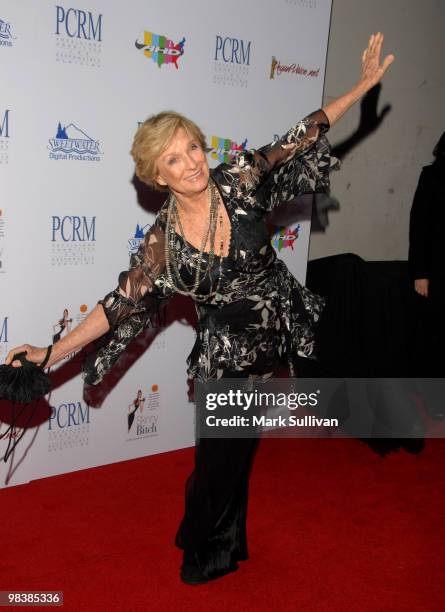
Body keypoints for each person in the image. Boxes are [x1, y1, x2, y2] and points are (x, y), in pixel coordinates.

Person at [6, 33, 394, 584]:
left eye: (192, 146)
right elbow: (121, 302)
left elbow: (301, 134)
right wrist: (51, 351)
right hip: (224, 349)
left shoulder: (240, 179)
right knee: (222, 457)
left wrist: (361, 87)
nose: (192, 162)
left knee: (232, 452)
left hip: (273, 329)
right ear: (156, 176)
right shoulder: (162, 243)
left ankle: (216, 544)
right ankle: (205, 544)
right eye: (174, 158)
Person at [409, 131, 445, 378]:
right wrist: (420, 273)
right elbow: (419, 225)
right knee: (436, 335)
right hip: (437, 269)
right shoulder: (432, 176)